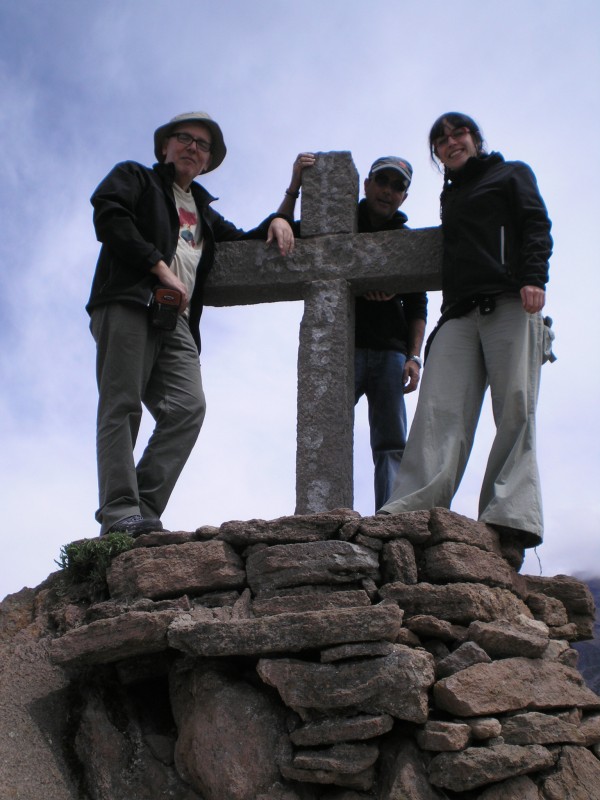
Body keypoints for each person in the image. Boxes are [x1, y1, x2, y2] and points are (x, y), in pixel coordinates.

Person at [87, 111, 294, 537]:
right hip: (130, 300)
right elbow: (109, 215)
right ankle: (120, 513)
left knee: (187, 407)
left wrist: (281, 215)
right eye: (185, 138)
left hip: (175, 321)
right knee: (121, 405)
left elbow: (248, 241)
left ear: (206, 161)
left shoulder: (202, 210)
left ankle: (141, 508)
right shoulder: (136, 178)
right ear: (165, 146)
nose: (193, 148)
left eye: (202, 145)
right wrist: (159, 269)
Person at [379, 112, 553, 562]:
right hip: (458, 313)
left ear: (475, 138)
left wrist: (533, 277)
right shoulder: (449, 197)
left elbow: (536, 225)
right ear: (436, 153)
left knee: (515, 405)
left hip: (511, 301)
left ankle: (510, 521)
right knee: (438, 410)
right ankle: (411, 511)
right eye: (440, 139)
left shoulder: (510, 173)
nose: (451, 142)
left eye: (458, 133)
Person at [278, 154, 427, 509]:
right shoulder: (332, 224)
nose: (388, 192)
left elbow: (417, 305)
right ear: (367, 185)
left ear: (404, 197)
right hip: (341, 349)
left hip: (391, 352)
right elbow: (273, 235)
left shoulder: (405, 241)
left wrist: (414, 357)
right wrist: (293, 188)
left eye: (398, 187)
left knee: (391, 442)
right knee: (327, 434)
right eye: (383, 182)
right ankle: (323, 514)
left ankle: (390, 517)